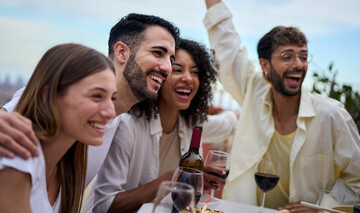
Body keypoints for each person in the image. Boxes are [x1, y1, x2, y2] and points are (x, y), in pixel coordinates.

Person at [200, 0, 360, 212]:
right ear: (265, 65)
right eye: (287, 56)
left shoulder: (331, 115)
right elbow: (225, 40)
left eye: (303, 56)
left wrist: (321, 208)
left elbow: (356, 178)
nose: (298, 64)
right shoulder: (254, 92)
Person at [0, 13, 180, 188]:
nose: (167, 68)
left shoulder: (115, 122)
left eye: (171, 59)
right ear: (122, 52)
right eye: (158, 53)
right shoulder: (57, 101)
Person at [82, 38, 238, 213]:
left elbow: (229, 123)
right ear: (159, 76)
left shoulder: (191, 125)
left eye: (195, 72)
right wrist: (172, 179)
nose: (188, 78)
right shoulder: (128, 127)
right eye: (178, 70)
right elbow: (102, 206)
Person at [0, 43, 117, 212]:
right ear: (48, 96)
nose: (111, 112)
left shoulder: (65, 168)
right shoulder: (18, 159)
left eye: (112, 98)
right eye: (97, 96)